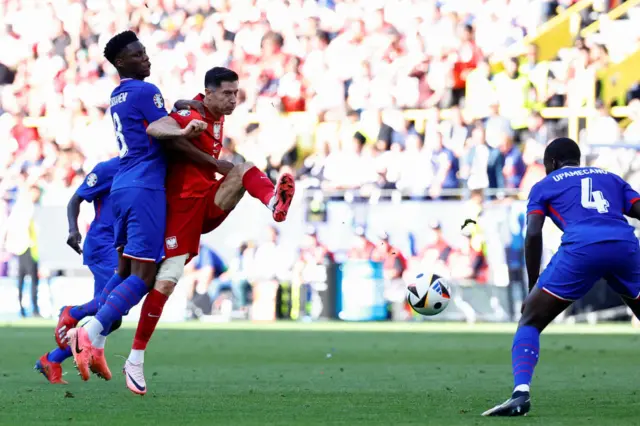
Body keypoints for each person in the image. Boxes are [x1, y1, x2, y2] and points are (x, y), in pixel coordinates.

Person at [122, 67, 295, 395]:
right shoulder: (193, 111)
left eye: (236, 92)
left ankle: (274, 202)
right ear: (210, 92)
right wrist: (207, 155)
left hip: (207, 199)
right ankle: (134, 357)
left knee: (244, 168)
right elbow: (167, 129)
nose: (233, 99)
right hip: (180, 206)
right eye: (227, 93)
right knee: (165, 281)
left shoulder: (214, 113)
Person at [66, 31, 212, 381]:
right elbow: (158, 130)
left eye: (145, 52)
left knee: (124, 273)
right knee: (145, 277)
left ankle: (90, 338)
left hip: (122, 188)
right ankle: (86, 331)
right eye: (137, 54)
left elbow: (152, 121)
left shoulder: (118, 95)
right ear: (120, 62)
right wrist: (185, 133)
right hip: (146, 186)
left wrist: (174, 111)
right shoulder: (147, 90)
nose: (146, 58)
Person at [483, 138, 640, 417]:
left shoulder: (545, 185)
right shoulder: (611, 178)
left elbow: (532, 233)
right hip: (624, 246)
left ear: (552, 163)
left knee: (530, 319)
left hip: (581, 249)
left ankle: (520, 393)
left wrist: (533, 286)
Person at [35, 157, 119, 384]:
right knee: (114, 302)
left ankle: (51, 360)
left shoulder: (150, 168)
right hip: (103, 245)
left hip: (123, 247)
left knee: (111, 317)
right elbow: (75, 200)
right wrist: (73, 230)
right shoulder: (108, 169)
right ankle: (73, 313)